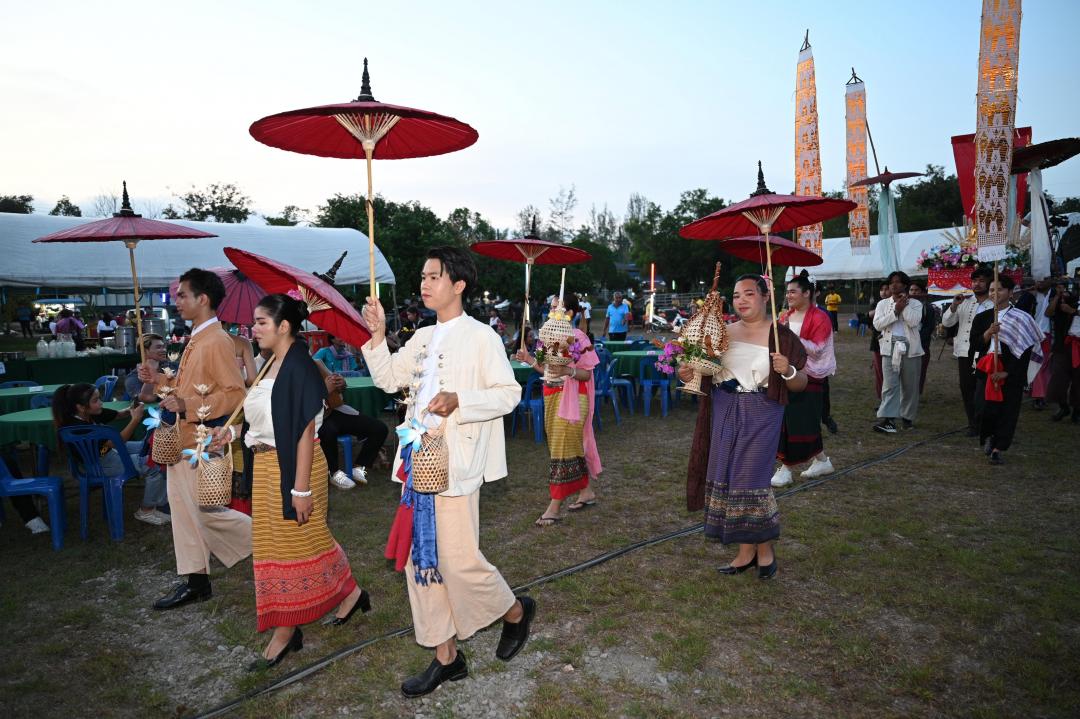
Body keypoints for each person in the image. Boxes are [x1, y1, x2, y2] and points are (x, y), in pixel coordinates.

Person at [361, 246, 533, 698]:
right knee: (421, 561)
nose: (424, 284)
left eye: (433, 276)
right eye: (422, 276)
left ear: (458, 285)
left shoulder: (481, 337)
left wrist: (461, 401)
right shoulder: (421, 336)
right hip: (416, 463)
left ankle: (515, 611)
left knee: (458, 561)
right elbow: (388, 379)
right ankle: (446, 656)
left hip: (456, 464)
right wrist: (376, 337)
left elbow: (509, 393)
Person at [209, 293, 368, 670]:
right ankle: (350, 595)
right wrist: (232, 435)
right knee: (288, 543)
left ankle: (286, 631)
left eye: (261, 322)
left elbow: (304, 432)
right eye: (254, 321)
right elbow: (262, 420)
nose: (253, 328)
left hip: (296, 467)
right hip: (266, 465)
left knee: (294, 544)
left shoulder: (301, 368)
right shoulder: (267, 364)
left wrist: (300, 489)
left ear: (284, 327)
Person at [135, 268, 250, 610]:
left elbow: (235, 395)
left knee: (206, 513)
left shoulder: (216, 340)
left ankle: (272, 540)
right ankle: (196, 582)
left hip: (201, 441)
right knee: (185, 515)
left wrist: (187, 405)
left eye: (183, 295)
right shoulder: (197, 338)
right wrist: (158, 380)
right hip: (183, 439)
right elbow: (187, 388)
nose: (177, 301)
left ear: (203, 299)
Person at [682, 275, 807, 579]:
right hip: (724, 408)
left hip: (762, 411)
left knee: (751, 477)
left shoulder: (781, 336)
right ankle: (747, 552)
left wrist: (788, 370)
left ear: (766, 297)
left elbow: (802, 384)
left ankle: (764, 552)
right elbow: (700, 373)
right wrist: (686, 372)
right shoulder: (721, 332)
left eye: (749, 294)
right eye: (737, 295)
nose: (741, 300)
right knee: (729, 475)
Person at [514, 293, 602, 526]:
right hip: (551, 395)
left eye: (557, 308)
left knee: (562, 449)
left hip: (574, 399)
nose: (552, 312)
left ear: (570, 313)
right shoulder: (548, 337)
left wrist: (568, 371)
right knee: (562, 446)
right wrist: (529, 359)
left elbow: (587, 374)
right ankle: (586, 492)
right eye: (551, 308)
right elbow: (547, 371)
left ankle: (554, 506)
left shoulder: (579, 337)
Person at [51, 383, 170, 525]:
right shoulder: (80, 428)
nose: (101, 403)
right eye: (96, 400)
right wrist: (135, 420)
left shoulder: (89, 413)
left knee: (150, 446)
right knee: (155, 464)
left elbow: (118, 414)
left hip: (107, 453)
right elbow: (117, 442)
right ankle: (146, 510)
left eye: (99, 398)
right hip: (99, 464)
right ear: (81, 407)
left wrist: (131, 409)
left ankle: (162, 503)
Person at [970, 275, 1043, 464]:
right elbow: (975, 344)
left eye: (999, 289)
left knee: (1008, 410)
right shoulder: (982, 317)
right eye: (992, 290)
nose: (994, 293)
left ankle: (998, 448)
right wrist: (988, 333)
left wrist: (1008, 372)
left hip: (1011, 367)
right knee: (984, 407)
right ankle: (989, 435)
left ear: (1010, 293)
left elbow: (1025, 350)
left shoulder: (1022, 318)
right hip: (987, 366)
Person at [772, 273, 835, 487]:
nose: (788, 295)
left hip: (810, 376)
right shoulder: (786, 316)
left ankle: (786, 468)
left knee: (796, 420)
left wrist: (791, 337)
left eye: (793, 292)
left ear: (807, 293)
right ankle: (822, 461)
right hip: (788, 373)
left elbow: (817, 349)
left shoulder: (821, 318)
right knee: (800, 421)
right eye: (787, 291)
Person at [315, 359, 388, 489]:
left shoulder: (317, 364)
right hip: (313, 419)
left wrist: (341, 384)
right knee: (328, 431)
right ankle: (333, 473)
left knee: (379, 428)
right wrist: (323, 390)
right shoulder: (290, 371)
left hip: (332, 411)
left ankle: (359, 467)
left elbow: (337, 392)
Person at [940, 266, 994, 435]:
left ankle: (985, 422)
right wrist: (954, 305)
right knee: (967, 388)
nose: (977, 284)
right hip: (965, 351)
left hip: (986, 352)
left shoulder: (994, 304)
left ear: (990, 283)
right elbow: (947, 323)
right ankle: (973, 423)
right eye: (975, 281)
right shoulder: (964, 302)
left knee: (983, 389)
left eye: (982, 281)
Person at [872, 271, 924, 433]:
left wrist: (904, 305)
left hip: (911, 347)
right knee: (889, 384)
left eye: (898, 282)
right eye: (891, 282)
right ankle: (888, 420)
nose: (894, 285)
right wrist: (895, 310)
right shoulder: (882, 304)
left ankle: (907, 418)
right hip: (889, 346)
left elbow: (913, 321)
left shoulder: (915, 304)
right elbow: (878, 324)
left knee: (910, 385)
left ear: (905, 285)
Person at [1015, 277, 1055, 409]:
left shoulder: (1053, 293)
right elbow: (1019, 310)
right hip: (1033, 335)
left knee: (1042, 365)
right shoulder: (1030, 295)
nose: (1040, 282)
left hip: (1046, 334)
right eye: (1038, 279)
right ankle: (1039, 395)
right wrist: (1029, 293)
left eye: (1044, 279)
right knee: (1037, 364)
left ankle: (1041, 394)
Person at [1045, 281, 1080, 423]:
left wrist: (1073, 311)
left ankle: (1077, 411)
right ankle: (1063, 406)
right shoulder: (1064, 299)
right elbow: (1049, 313)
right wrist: (1058, 296)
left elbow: (1073, 311)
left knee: (1078, 380)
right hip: (1062, 345)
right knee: (1058, 378)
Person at [908, 282, 937, 394]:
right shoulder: (905, 305)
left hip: (922, 345)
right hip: (906, 344)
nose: (913, 292)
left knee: (919, 372)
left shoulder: (927, 307)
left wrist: (916, 339)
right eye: (911, 290)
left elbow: (929, 327)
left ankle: (916, 394)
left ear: (922, 292)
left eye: (916, 290)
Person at [868, 282, 890, 399]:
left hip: (893, 342)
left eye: (886, 289)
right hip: (877, 342)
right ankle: (882, 398)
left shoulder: (896, 304)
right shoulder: (876, 304)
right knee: (880, 372)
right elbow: (868, 318)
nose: (884, 292)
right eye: (882, 289)